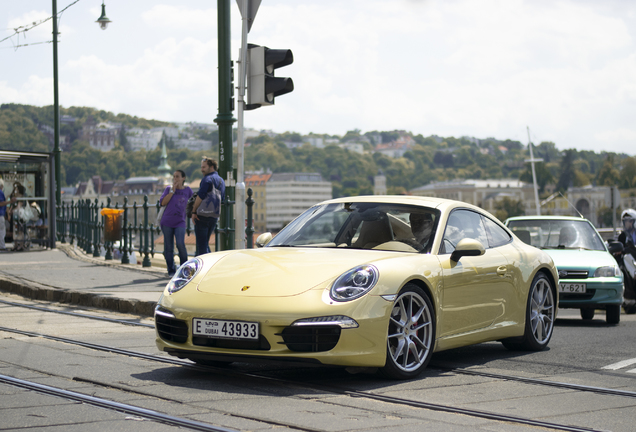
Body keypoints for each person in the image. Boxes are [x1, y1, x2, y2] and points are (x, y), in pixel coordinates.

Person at [159, 170, 193, 276]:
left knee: (180, 244)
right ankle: (171, 271)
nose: (175, 179)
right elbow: (163, 202)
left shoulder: (188, 190)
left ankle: (184, 270)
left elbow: (193, 202)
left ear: (183, 178)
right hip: (167, 221)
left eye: (177, 176)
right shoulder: (168, 189)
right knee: (168, 247)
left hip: (180, 222)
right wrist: (172, 192)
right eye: (174, 177)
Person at [192, 157, 225, 256]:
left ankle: (204, 267)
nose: (202, 169)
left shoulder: (207, 179)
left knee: (201, 245)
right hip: (214, 215)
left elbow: (200, 196)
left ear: (211, 167)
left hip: (202, 215)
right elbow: (222, 198)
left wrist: (194, 211)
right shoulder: (221, 181)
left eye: (204, 167)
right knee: (205, 242)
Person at [0, 179, 17, 251]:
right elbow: (1, 203)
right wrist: (10, 201)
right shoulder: (0, 192)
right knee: (1, 231)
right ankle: (2, 246)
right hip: (0, 214)